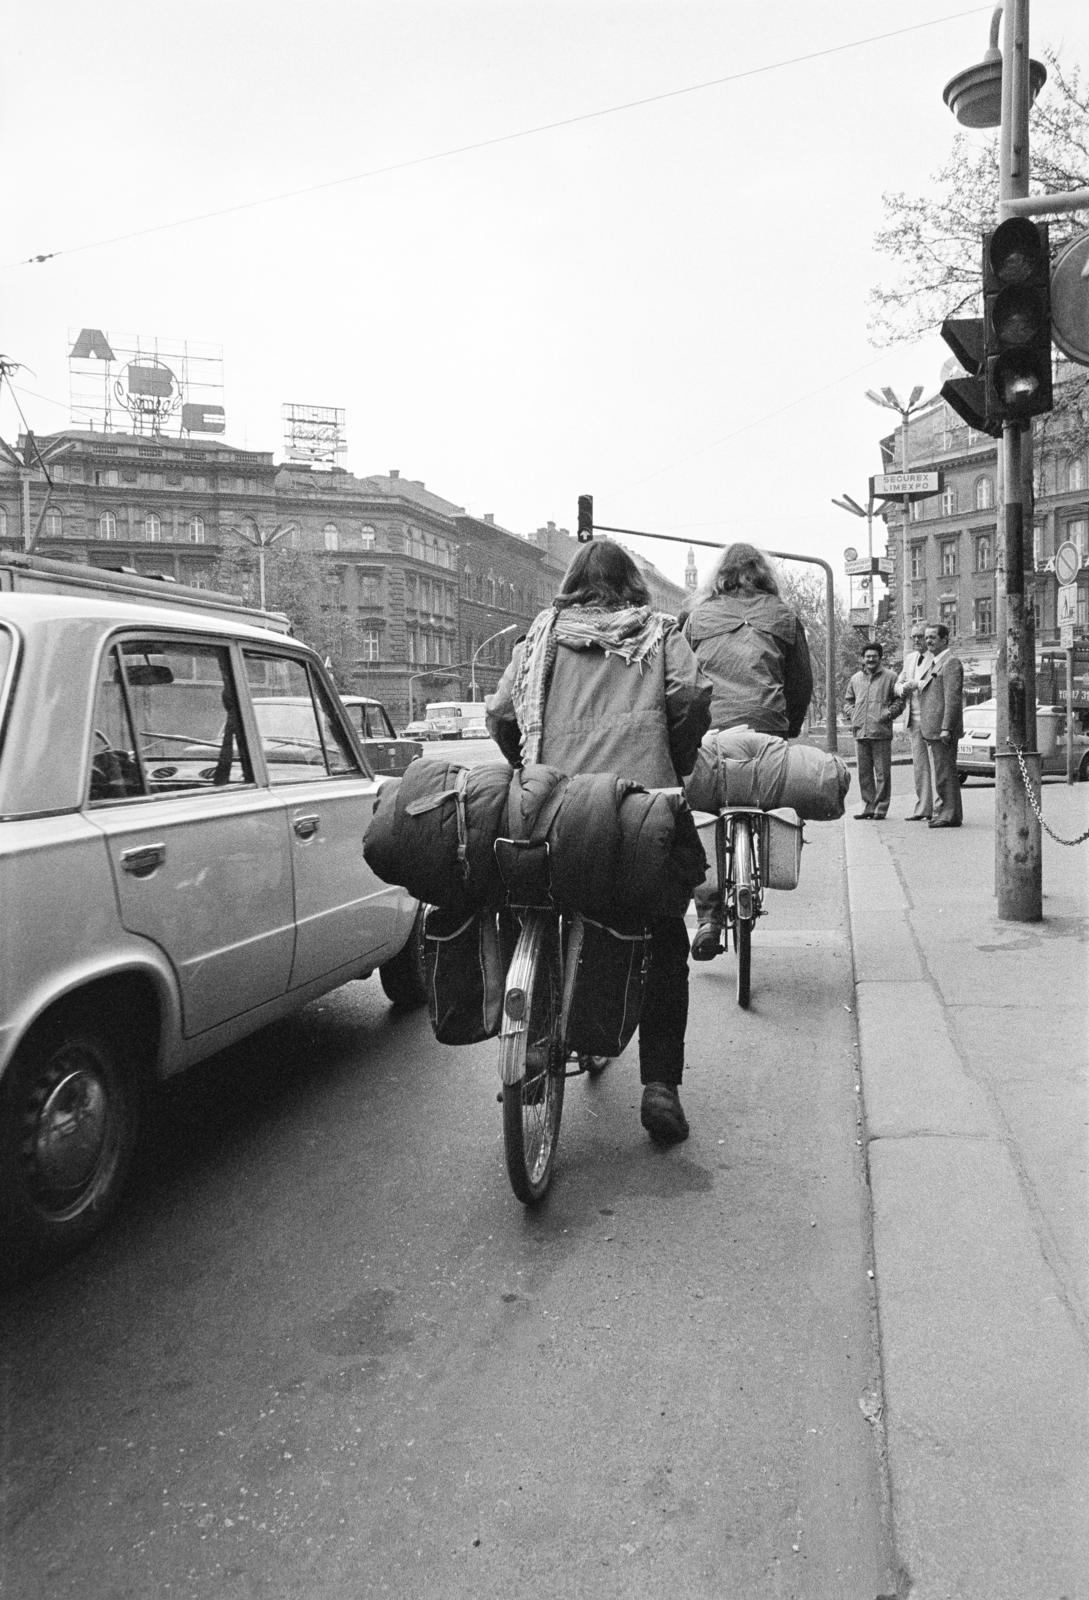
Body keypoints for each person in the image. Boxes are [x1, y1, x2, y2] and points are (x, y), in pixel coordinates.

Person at [485, 539, 712, 1146]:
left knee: (543, 903)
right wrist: (673, 759)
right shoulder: (659, 631)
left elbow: (504, 715)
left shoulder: (540, 636)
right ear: (633, 585)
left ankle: (533, 1036)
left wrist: (531, 767)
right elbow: (690, 701)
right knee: (662, 936)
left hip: (554, 810)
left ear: (570, 583)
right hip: (640, 814)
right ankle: (660, 1086)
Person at [679, 542, 813, 958]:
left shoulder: (695, 617)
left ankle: (708, 916)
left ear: (720, 577)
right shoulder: (784, 617)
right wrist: (785, 729)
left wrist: (684, 733)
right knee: (762, 793)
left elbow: (682, 683)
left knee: (706, 811)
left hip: (712, 730)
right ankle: (761, 868)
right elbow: (801, 683)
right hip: (766, 725)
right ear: (763, 575)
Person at [843, 641, 903, 821]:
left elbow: (899, 701)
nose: (870, 659)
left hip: (881, 731)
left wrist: (887, 714)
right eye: (867, 656)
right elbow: (847, 702)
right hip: (861, 732)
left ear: (880, 658)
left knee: (882, 773)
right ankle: (868, 807)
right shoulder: (855, 679)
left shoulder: (891, 677)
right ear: (863, 658)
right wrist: (853, 714)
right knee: (864, 774)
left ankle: (881, 809)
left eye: (874, 656)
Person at [917, 622, 964, 828]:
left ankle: (949, 814)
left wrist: (946, 727)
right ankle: (947, 811)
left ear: (945, 639)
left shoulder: (951, 663)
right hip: (934, 729)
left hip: (942, 730)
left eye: (933, 637)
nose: (928, 641)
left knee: (946, 773)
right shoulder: (935, 663)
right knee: (942, 772)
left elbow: (952, 699)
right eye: (926, 637)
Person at [894, 622, 934, 821]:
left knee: (939, 767)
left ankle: (941, 808)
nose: (917, 640)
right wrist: (903, 689)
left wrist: (916, 684)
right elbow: (897, 684)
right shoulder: (910, 659)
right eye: (914, 637)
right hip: (914, 720)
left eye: (921, 636)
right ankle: (923, 808)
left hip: (933, 719)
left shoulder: (936, 657)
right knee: (920, 767)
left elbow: (936, 683)